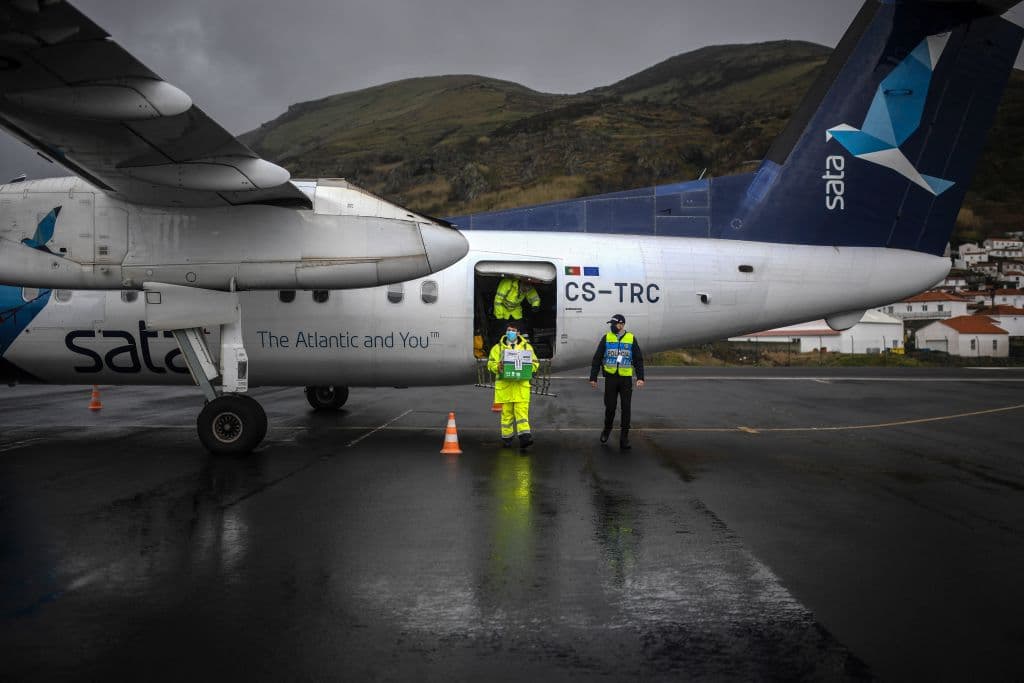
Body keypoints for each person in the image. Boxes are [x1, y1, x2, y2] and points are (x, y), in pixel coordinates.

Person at [589, 313, 645, 449]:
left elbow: (638, 359)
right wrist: (593, 377)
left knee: (626, 408)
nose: (612, 326)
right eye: (612, 324)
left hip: (625, 379)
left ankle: (624, 438)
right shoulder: (607, 338)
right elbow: (597, 358)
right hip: (611, 378)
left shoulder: (631, 338)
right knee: (610, 407)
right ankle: (606, 430)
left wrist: (640, 377)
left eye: (614, 324)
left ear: (621, 325)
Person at [487, 321, 540, 449]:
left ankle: (525, 438)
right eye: (509, 330)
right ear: (506, 332)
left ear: (518, 333)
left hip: (521, 387)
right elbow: (490, 364)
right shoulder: (497, 348)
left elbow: (535, 363)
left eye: (513, 330)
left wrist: (528, 369)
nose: (511, 332)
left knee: (522, 414)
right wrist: (497, 367)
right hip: (505, 387)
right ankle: (507, 438)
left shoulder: (527, 348)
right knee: (507, 415)